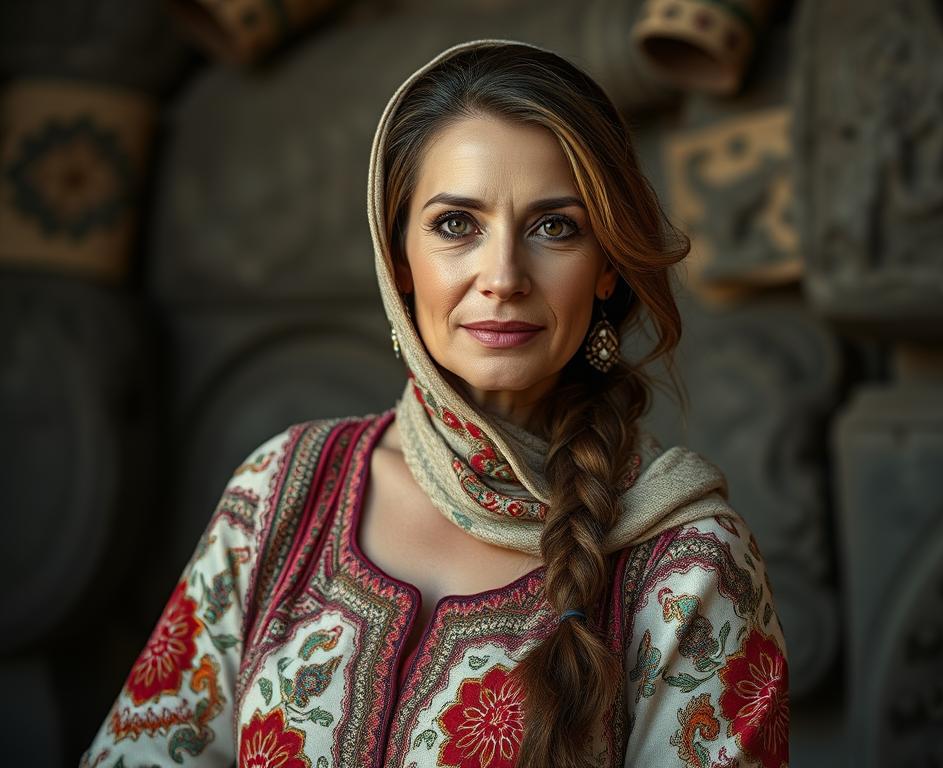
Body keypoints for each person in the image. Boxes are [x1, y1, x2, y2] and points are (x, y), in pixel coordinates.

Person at [82, 39, 788, 768]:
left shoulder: (690, 567)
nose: (503, 275)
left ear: (607, 266)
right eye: (457, 225)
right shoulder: (283, 492)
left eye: (556, 227)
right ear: (399, 262)